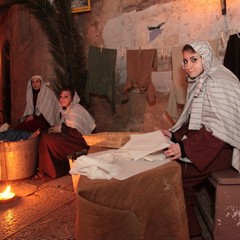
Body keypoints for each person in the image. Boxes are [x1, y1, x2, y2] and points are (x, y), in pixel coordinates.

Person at [162, 40, 240, 240]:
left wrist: (185, 148)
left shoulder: (218, 81)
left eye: (194, 59)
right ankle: (191, 230)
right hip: (211, 144)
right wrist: (174, 136)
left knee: (174, 177)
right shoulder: (201, 80)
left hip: (226, 147)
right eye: (185, 61)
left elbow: (220, 129)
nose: (188, 66)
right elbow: (194, 122)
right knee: (175, 174)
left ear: (206, 57)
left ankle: (192, 233)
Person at [36, 85, 96, 180]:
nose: (62, 99)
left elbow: (77, 133)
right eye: (61, 96)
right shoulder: (68, 109)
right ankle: (53, 169)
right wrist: (58, 129)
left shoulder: (76, 109)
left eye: (66, 96)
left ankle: (51, 172)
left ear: (72, 98)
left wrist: (60, 129)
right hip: (72, 138)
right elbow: (68, 127)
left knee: (47, 139)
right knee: (45, 134)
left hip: (81, 142)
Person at [0, 75, 60, 141]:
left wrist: (33, 117)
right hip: (37, 119)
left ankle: (5, 136)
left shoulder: (48, 93)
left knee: (23, 127)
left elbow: (48, 113)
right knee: (21, 125)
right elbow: (32, 110)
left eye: (37, 81)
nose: (35, 84)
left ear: (41, 83)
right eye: (33, 82)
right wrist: (29, 116)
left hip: (46, 121)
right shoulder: (33, 94)